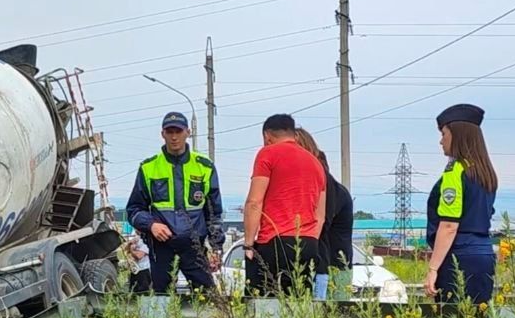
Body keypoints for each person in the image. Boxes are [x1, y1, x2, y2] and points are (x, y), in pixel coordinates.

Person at [125, 111, 225, 294]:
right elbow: (133, 210)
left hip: (194, 247)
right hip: (162, 248)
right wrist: (152, 224)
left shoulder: (204, 166)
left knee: (209, 301)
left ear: (188, 132)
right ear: (162, 134)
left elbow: (213, 213)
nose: (174, 137)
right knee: (160, 302)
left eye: (178, 131)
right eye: (169, 132)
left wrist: (216, 247)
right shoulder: (149, 168)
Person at [242, 114, 326, 296]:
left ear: (267, 136)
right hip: (308, 244)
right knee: (299, 306)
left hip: (275, 242)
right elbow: (320, 215)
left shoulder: (268, 153)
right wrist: (310, 240)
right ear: (293, 135)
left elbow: (254, 202)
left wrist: (248, 244)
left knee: (264, 306)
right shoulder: (316, 163)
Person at [424, 103, 497, 304]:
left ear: (458, 135)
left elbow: (449, 225)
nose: (441, 141)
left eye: (444, 134)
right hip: (483, 254)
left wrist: (433, 269)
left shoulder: (455, 172)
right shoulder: (485, 173)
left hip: (459, 256)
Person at [294, 127, 354, 300]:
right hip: (323, 264)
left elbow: (319, 224)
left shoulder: (325, 184)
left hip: (332, 266)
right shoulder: (318, 180)